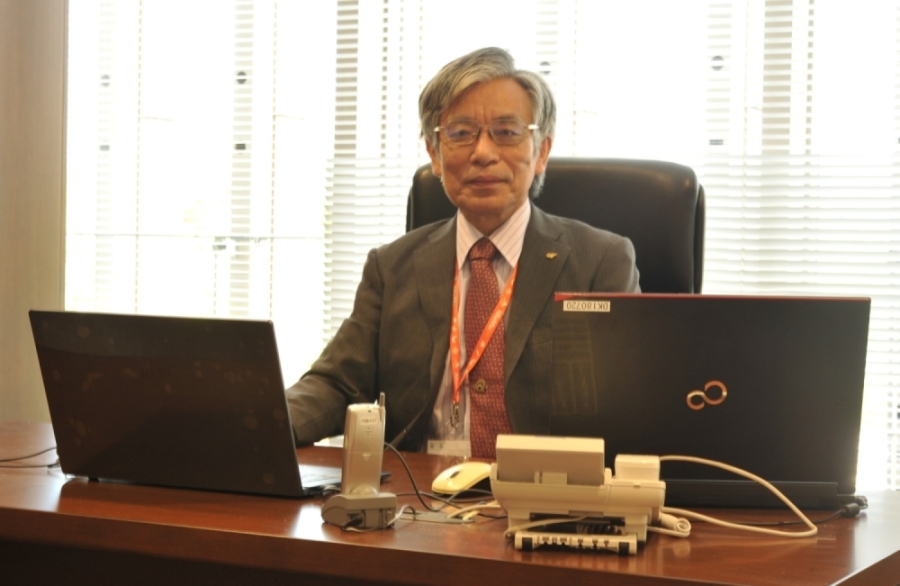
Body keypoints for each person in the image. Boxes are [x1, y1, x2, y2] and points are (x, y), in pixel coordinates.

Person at [286, 47, 639, 458]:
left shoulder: (600, 262)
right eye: (459, 133)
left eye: (506, 132)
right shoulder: (391, 267)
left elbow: (626, 405)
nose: (483, 153)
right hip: (417, 488)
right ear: (434, 154)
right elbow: (337, 385)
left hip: (544, 487)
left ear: (541, 151)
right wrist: (262, 421)